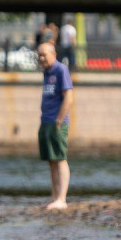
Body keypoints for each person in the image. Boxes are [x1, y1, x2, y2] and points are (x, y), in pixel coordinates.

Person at [37, 42, 74, 210]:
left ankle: (62, 199)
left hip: (57, 123)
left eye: (44, 54)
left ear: (54, 54)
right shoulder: (47, 72)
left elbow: (68, 96)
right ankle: (54, 197)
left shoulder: (61, 70)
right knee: (51, 161)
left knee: (60, 159)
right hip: (46, 121)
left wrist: (59, 120)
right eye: (39, 55)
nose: (41, 58)